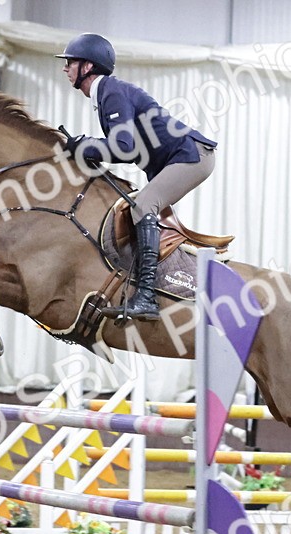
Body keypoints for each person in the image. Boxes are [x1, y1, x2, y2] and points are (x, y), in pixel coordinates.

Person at [56, 33, 217, 320]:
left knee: (143, 205)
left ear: (88, 67)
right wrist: (84, 150)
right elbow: (125, 149)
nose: (65, 68)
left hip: (192, 156)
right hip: (177, 158)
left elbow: (122, 147)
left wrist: (83, 145)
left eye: (70, 62)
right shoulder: (105, 96)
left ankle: (147, 297)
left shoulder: (111, 92)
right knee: (139, 206)